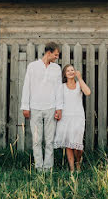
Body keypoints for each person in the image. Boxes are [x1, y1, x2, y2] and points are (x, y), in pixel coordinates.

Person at [20, 42, 63, 172]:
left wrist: (59, 108)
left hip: (51, 107)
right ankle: (39, 167)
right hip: (35, 108)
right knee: (37, 140)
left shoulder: (56, 69)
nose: (57, 57)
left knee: (49, 140)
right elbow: (26, 86)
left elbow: (59, 89)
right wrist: (25, 106)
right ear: (48, 53)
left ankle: (48, 168)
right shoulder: (32, 66)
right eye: (55, 55)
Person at [54, 64, 91, 172]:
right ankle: (72, 168)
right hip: (65, 117)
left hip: (78, 116)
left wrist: (79, 78)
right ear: (65, 74)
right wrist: (58, 113)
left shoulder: (79, 84)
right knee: (68, 144)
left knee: (78, 144)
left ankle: (78, 163)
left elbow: (88, 92)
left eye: (72, 70)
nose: (70, 72)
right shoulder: (62, 87)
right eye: (68, 70)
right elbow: (59, 102)